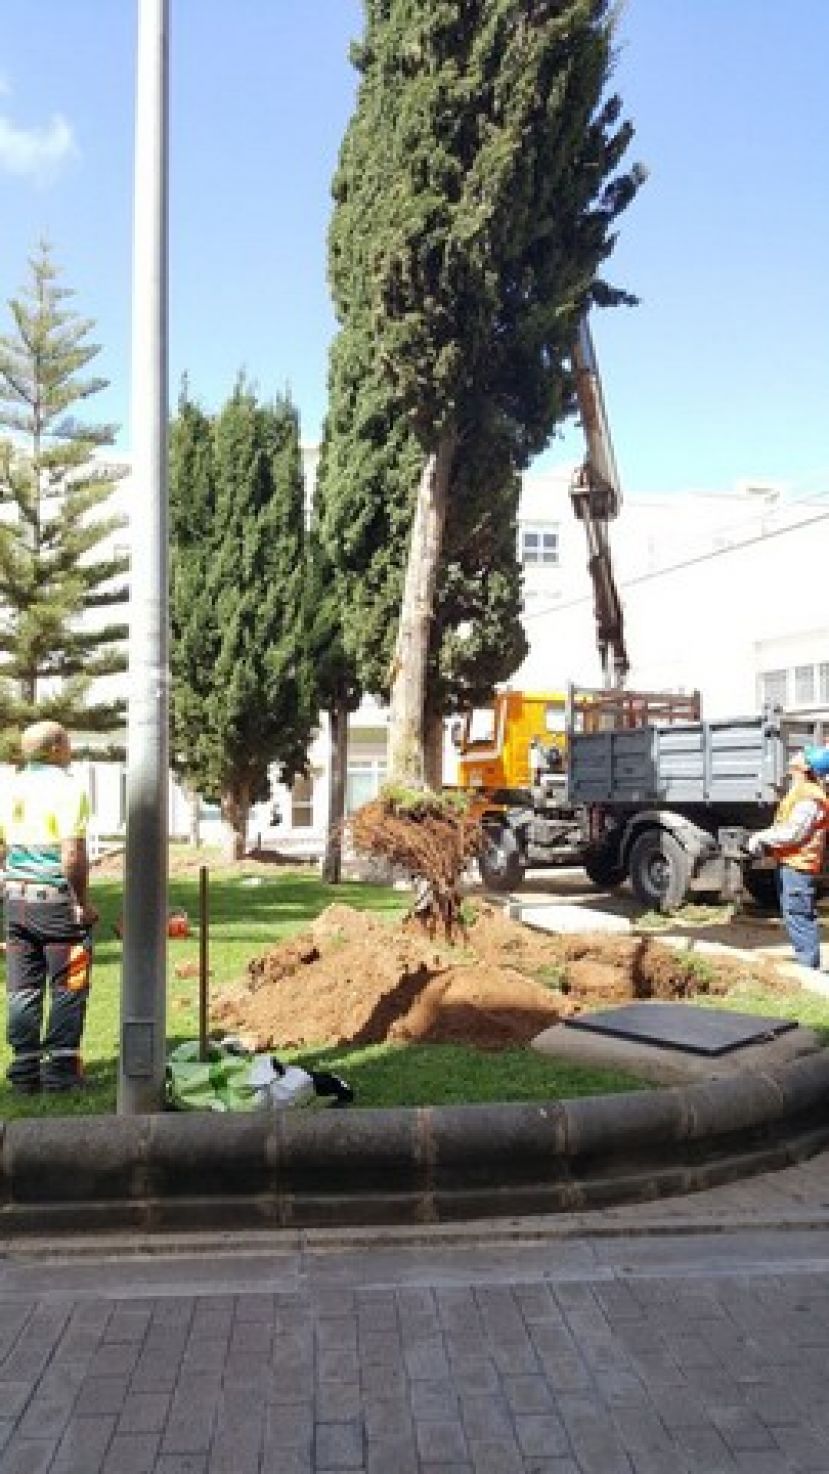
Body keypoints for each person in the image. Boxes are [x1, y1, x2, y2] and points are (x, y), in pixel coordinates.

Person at [0, 722, 98, 1094]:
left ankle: (24, 1071)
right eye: (68, 742)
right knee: (69, 983)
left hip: (16, 901)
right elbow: (72, 854)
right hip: (54, 902)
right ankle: (61, 1071)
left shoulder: (9, 786)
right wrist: (82, 903)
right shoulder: (67, 788)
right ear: (56, 747)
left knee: (22, 987)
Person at [746, 748, 829, 970]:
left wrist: (761, 837)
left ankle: (808, 970)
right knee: (794, 914)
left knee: (799, 916)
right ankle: (806, 964)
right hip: (792, 863)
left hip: (798, 865)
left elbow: (794, 833)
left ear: (806, 767)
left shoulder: (810, 797)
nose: (797, 754)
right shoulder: (801, 790)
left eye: (803, 754)